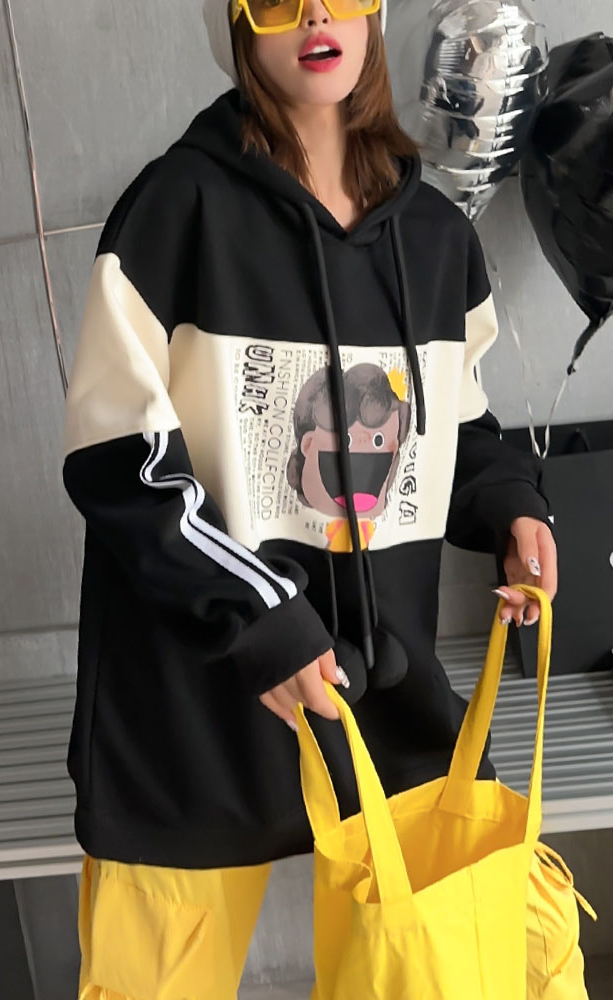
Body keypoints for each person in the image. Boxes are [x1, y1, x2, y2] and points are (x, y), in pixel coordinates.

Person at [61, 1, 558, 995]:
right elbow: (121, 461)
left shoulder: (434, 238)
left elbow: (454, 425)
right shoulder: (174, 211)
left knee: (492, 967)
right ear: (237, 26)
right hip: (194, 707)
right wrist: (260, 616)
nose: (317, 12)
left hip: (385, 698)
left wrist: (511, 505)